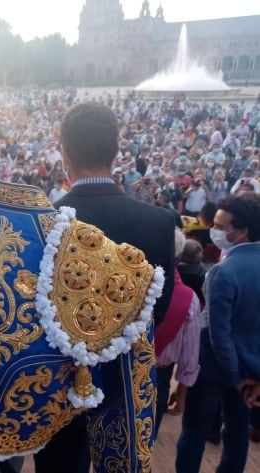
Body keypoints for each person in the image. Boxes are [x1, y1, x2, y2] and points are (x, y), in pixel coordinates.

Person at [34, 102, 175, 473]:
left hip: (60, 387)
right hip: (125, 383)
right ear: (116, 153)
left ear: (64, 154)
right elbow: (157, 312)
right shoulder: (159, 222)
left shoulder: (43, 225)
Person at [176, 193, 260, 473]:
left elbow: (219, 334)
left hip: (214, 368)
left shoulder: (223, 272)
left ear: (242, 231)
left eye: (221, 226)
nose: (214, 230)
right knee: (236, 436)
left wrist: (236, 378)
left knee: (194, 434)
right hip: (251, 370)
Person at [153, 229, 201, 439]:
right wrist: (182, 394)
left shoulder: (126, 284)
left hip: (120, 370)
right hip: (160, 376)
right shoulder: (189, 299)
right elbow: (190, 357)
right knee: (144, 443)